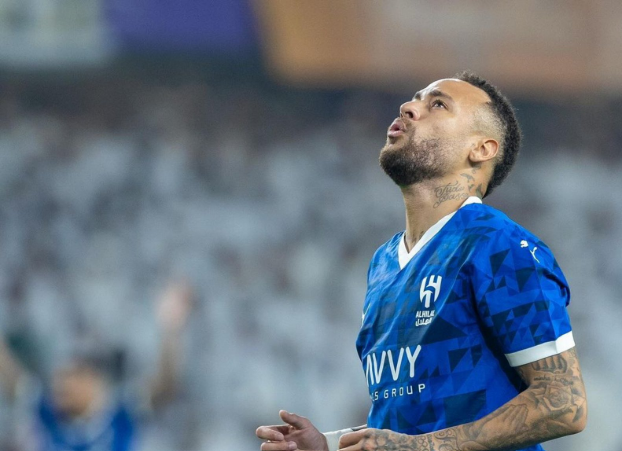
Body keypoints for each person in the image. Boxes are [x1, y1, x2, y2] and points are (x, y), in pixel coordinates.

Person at [256, 72, 587, 451]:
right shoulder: (383, 264)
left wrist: (420, 448)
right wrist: (329, 446)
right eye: (415, 99)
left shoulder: (496, 244)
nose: (408, 107)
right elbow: (414, 416)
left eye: (438, 104)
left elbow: (564, 403)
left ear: (481, 149)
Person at [0, 280, 193, 451]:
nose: (59, 389)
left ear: (92, 380)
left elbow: (165, 386)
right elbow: (10, 377)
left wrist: (171, 330)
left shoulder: (122, 414)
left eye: (67, 382)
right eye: (59, 384)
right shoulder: (46, 413)